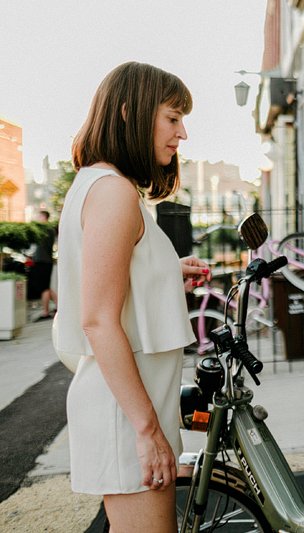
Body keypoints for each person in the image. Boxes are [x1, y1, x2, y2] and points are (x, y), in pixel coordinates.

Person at [53, 61, 211, 533]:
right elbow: (98, 319)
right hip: (126, 413)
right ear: (130, 112)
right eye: (172, 117)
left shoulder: (102, 185)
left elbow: (114, 284)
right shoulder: (113, 192)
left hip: (129, 404)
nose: (182, 133)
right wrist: (147, 431)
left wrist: (165, 273)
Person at [28, 209, 58, 319]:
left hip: (42, 261)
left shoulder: (45, 230)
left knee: (43, 287)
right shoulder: (50, 230)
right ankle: (59, 307)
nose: (37, 218)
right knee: (45, 286)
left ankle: (45, 311)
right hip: (45, 261)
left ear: (44, 217)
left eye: (39, 216)